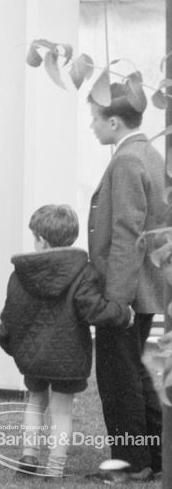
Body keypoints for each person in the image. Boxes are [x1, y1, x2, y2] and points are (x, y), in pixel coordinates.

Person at [0, 204, 133, 479]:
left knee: (35, 402)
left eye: (34, 236)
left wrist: (12, 346)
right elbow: (94, 309)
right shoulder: (83, 273)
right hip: (69, 357)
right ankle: (55, 467)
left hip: (32, 357)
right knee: (62, 411)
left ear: (42, 240)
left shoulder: (19, 274)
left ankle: (28, 456)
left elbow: (9, 316)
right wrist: (124, 314)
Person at [86, 83, 166, 481]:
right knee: (137, 377)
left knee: (119, 382)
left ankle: (132, 464)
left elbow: (125, 233)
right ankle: (153, 459)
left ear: (113, 122)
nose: (91, 126)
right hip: (146, 288)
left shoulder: (126, 161)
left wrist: (116, 303)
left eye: (94, 119)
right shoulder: (151, 154)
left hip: (126, 294)